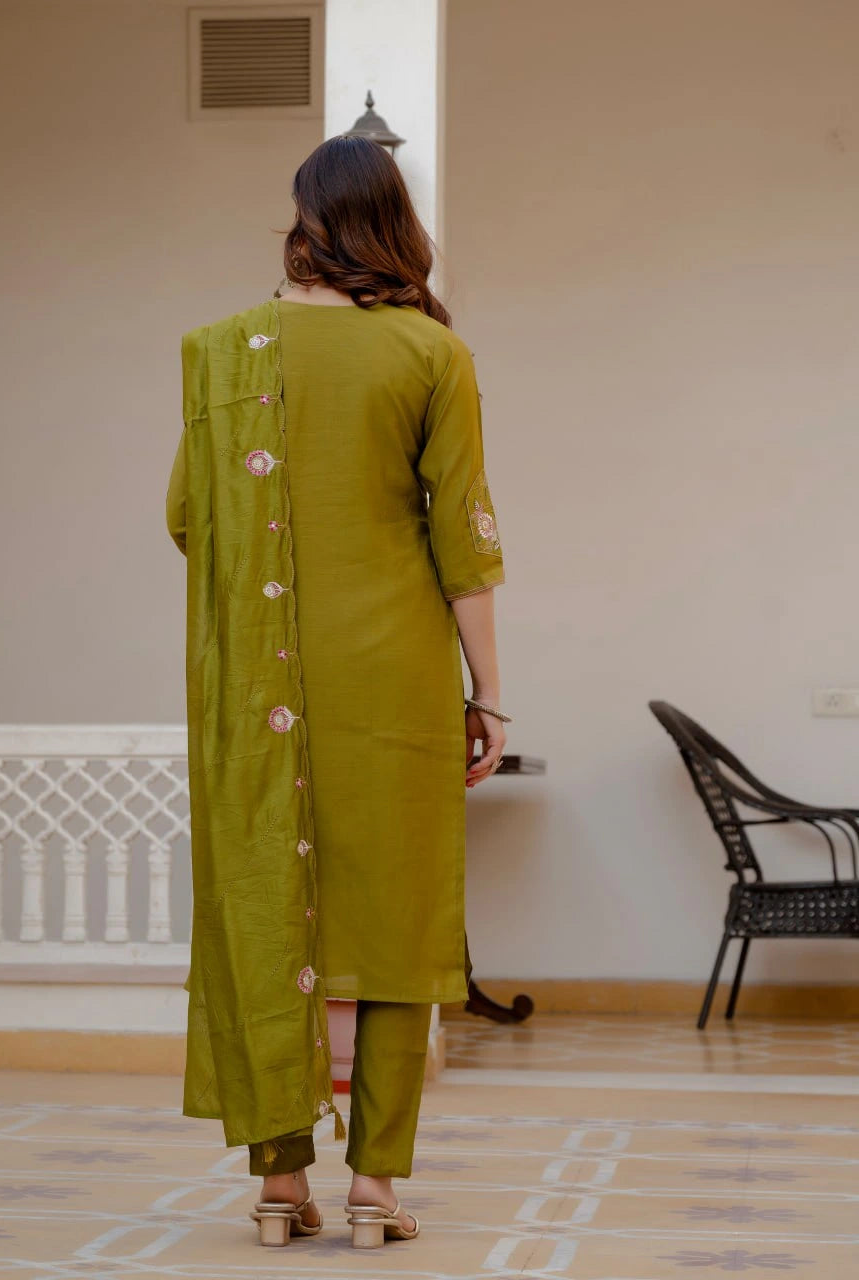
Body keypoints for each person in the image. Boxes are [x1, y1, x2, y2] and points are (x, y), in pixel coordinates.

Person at [165, 135, 508, 1250]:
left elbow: (185, 516)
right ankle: (373, 1190)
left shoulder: (220, 352)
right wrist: (488, 697)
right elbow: (464, 541)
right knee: (398, 920)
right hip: (394, 676)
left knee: (271, 899)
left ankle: (276, 1186)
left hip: (261, 674)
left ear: (300, 223)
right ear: (393, 224)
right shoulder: (427, 351)